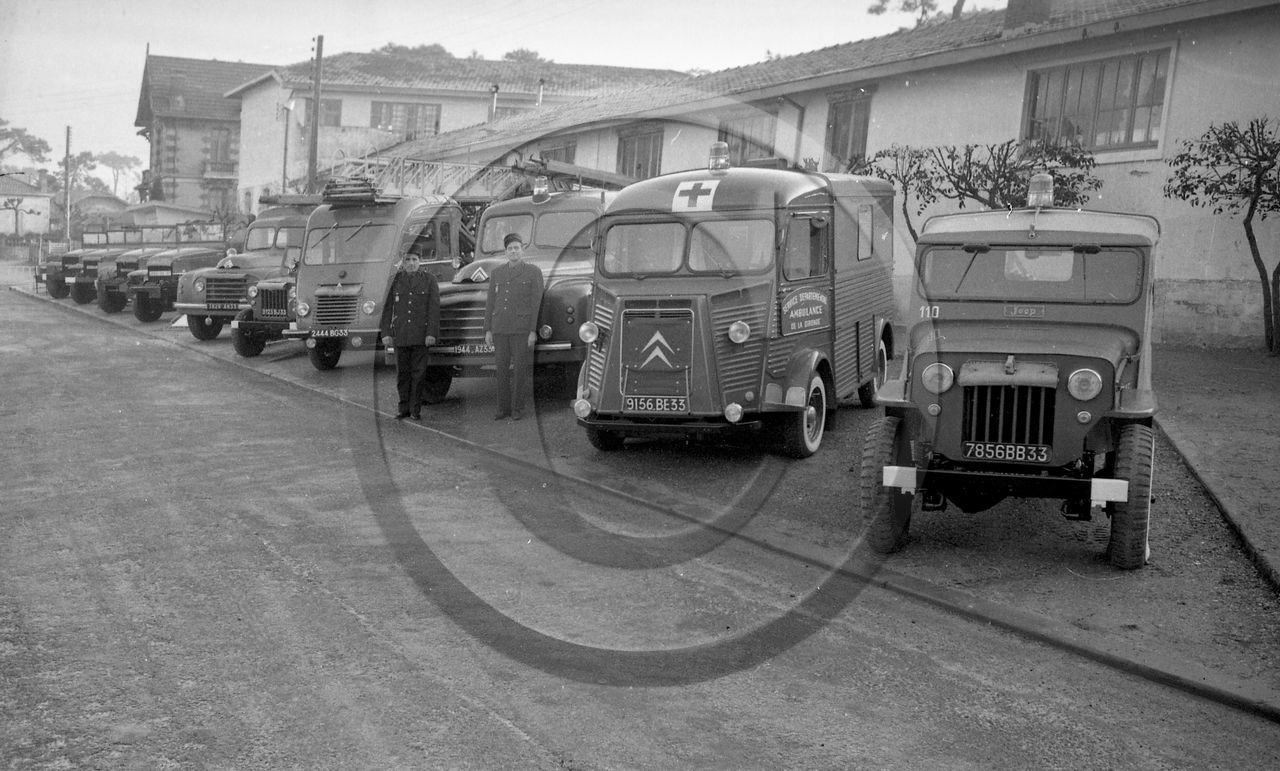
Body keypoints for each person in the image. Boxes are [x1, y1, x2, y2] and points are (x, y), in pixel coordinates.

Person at [484, 233, 544, 420]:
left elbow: (536, 304)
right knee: (501, 370)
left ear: (522, 250)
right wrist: (488, 329)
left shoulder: (533, 272)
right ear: (505, 252)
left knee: (519, 371)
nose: (513, 251)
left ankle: (518, 409)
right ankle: (503, 409)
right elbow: (490, 302)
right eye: (510, 249)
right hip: (500, 328)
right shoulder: (497, 273)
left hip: (521, 329)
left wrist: (533, 331)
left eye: (516, 248)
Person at [380, 253, 441, 420]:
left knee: (418, 374)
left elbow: (434, 309)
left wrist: (431, 333)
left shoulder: (429, 280)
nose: (411, 263)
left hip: (421, 335)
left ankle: (415, 410)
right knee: (402, 374)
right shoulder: (394, 280)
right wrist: (385, 333)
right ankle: (403, 408)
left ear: (420, 261)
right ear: (403, 262)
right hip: (401, 334)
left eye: (415, 259)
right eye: (408, 260)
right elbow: (387, 309)